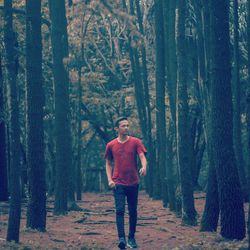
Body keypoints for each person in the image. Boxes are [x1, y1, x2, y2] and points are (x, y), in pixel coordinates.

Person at [104, 117, 147, 249]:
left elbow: (142, 156)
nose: (126, 128)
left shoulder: (135, 142)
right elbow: (107, 163)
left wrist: (144, 166)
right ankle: (121, 238)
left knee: (133, 211)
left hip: (133, 182)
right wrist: (110, 179)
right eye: (123, 126)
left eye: (128, 125)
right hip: (118, 182)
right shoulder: (111, 145)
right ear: (117, 129)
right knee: (120, 210)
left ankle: (132, 238)